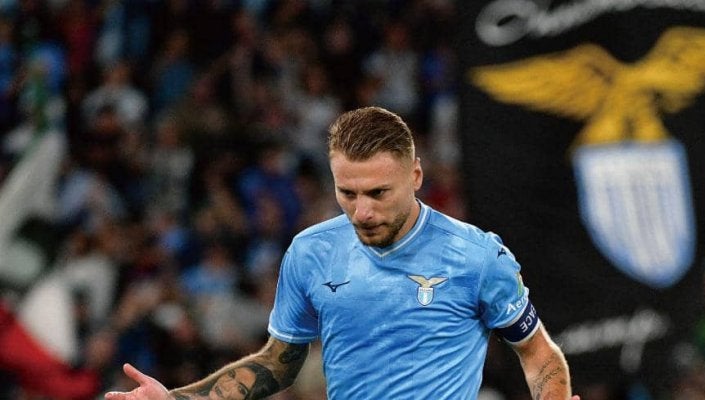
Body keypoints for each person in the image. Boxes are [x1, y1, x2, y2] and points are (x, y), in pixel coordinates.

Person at [105, 106, 579, 399]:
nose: (362, 211)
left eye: (378, 193)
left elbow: (539, 354)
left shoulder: (478, 256)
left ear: (415, 176)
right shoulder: (310, 252)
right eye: (347, 193)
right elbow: (276, 364)